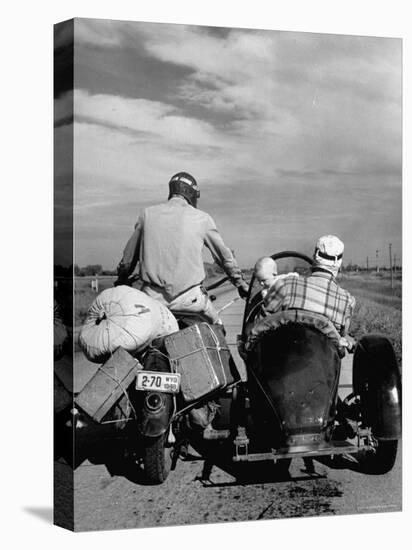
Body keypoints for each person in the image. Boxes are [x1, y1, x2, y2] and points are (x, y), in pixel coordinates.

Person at [116, 171, 249, 324]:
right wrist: (240, 283)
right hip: (191, 302)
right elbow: (224, 257)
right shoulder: (202, 219)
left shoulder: (147, 215)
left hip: (152, 303)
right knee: (217, 332)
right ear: (191, 193)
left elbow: (127, 261)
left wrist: (121, 280)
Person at [262, 235, 356, 339]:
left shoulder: (285, 284)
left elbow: (265, 317)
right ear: (339, 262)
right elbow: (342, 335)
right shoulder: (347, 301)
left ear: (315, 255)